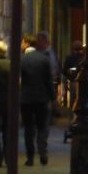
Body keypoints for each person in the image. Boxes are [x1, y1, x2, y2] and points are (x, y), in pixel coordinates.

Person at [20, 34, 55, 166]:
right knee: (42, 127)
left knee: (28, 128)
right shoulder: (44, 60)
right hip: (42, 98)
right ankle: (42, 152)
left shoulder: (23, 60)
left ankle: (30, 157)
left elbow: (19, 79)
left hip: (26, 99)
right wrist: (53, 97)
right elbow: (48, 81)